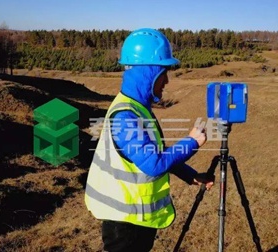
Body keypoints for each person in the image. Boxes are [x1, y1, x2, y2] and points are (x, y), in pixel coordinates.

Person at [84, 28, 214, 252]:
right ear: (148, 72)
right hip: (125, 222)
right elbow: (153, 164)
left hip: (136, 217)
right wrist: (192, 142)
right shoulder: (125, 115)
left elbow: (158, 152)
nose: (167, 81)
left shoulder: (137, 108)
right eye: (163, 72)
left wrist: (191, 176)